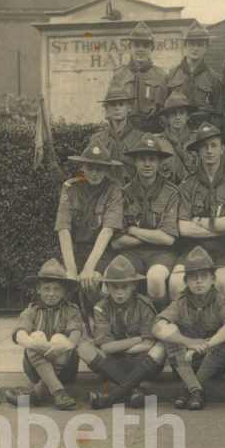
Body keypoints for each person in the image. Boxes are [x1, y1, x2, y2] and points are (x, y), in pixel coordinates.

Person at [153, 246, 225, 410]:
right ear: (185, 281)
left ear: (213, 279)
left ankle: (190, 390)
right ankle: (195, 391)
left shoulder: (220, 300)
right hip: (185, 362)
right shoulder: (180, 302)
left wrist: (205, 345)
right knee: (169, 334)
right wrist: (188, 342)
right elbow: (157, 327)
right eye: (193, 277)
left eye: (204, 276)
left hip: (213, 364)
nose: (199, 281)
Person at [169, 123, 225, 302]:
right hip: (191, 250)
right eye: (203, 146)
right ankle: (182, 327)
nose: (209, 151)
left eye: (213, 145)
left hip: (223, 251)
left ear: (222, 149)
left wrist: (202, 222)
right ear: (197, 152)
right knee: (175, 283)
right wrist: (220, 226)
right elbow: (184, 228)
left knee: (221, 283)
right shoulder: (188, 184)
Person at [80, 255, 167, 409]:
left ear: (133, 285)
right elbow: (106, 347)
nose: (119, 293)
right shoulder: (101, 307)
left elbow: (149, 343)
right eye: (115, 287)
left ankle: (110, 398)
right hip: (115, 362)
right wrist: (137, 339)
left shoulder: (144, 305)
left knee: (160, 347)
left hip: (140, 361)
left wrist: (120, 346)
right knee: (83, 347)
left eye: (124, 287)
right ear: (107, 286)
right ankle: (134, 391)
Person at [56, 142, 124, 325]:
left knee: (93, 280)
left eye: (100, 169)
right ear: (82, 167)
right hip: (76, 251)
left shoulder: (114, 190)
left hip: (102, 253)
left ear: (107, 170)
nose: (94, 173)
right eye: (90, 167)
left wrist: (88, 268)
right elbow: (63, 229)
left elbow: (107, 230)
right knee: (61, 281)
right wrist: (71, 269)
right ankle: (70, 325)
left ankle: (101, 324)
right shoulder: (70, 187)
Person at [110, 134, 180, 308]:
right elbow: (117, 242)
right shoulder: (123, 193)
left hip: (161, 253)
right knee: (111, 276)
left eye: (152, 159)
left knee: (155, 278)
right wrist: (154, 234)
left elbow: (168, 238)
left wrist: (133, 230)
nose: (147, 164)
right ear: (135, 162)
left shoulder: (171, 192)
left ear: (159, 163)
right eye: (142, 159)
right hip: (131, 254)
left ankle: (160, 319)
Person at [4, 259, 83, 410]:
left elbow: (75, 336)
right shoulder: (31, 310)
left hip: (66, 368)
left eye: (57, 289)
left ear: (64, 291)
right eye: (46, 289)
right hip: (34, 369)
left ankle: (38, 393)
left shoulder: (71, 310)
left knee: (59, 338)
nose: (51, 294)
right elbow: (20, 335)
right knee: (35, 336)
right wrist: (36, 344)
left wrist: (61, 346)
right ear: (38, 289)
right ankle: (58, 392)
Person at [110, 21, 167, 133]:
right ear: (130, 48)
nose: (141, 50)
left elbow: (165, 110)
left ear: (152, 49)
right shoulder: (119, 75)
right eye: (136, 45)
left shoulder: (161, 76)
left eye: (145, 46)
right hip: (126, 129)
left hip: (153, 129)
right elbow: (110, 107)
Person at [165, 20, 223, 128]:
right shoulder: (171, 75)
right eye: (191, 44)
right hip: (178, 131)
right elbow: (162, 109)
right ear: (185, 45)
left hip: (203, 131)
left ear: (206, 47)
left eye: (200, 45)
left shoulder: (213, 78)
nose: (195, 48)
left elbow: (219, 112)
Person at [89, 84, 145, 184]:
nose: (117, 108)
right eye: (113, 104)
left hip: (132, 195)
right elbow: (90, 171)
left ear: (129, 108)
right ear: (107, 109)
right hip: (105, 195)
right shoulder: (97, 140)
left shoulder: (141, 138)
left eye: (121, 104)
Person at [156, 91, 199, 184]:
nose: (178, 117)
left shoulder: (197, 139)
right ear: (167, 117)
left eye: (182, 113)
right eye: (173, 113)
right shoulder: (158, 142)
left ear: (188, 116)